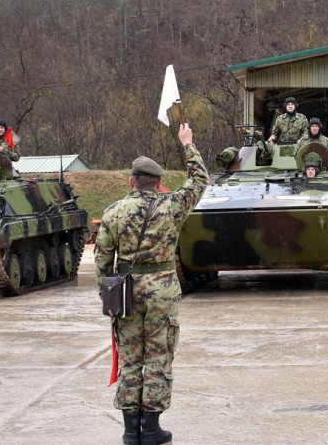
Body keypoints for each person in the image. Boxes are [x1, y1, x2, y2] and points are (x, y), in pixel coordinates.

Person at [94, 123, 208, 445]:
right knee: (158, 357)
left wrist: (109, 297)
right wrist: (187, 144)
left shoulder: (114, 212)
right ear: (159, 183)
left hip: (126, 294)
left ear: (131, 181)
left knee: (131, 357)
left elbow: (102, 260)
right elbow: (200, 180)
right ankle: (152, 429)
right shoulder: (171, 206)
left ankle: (131, 431)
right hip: (162, 293)